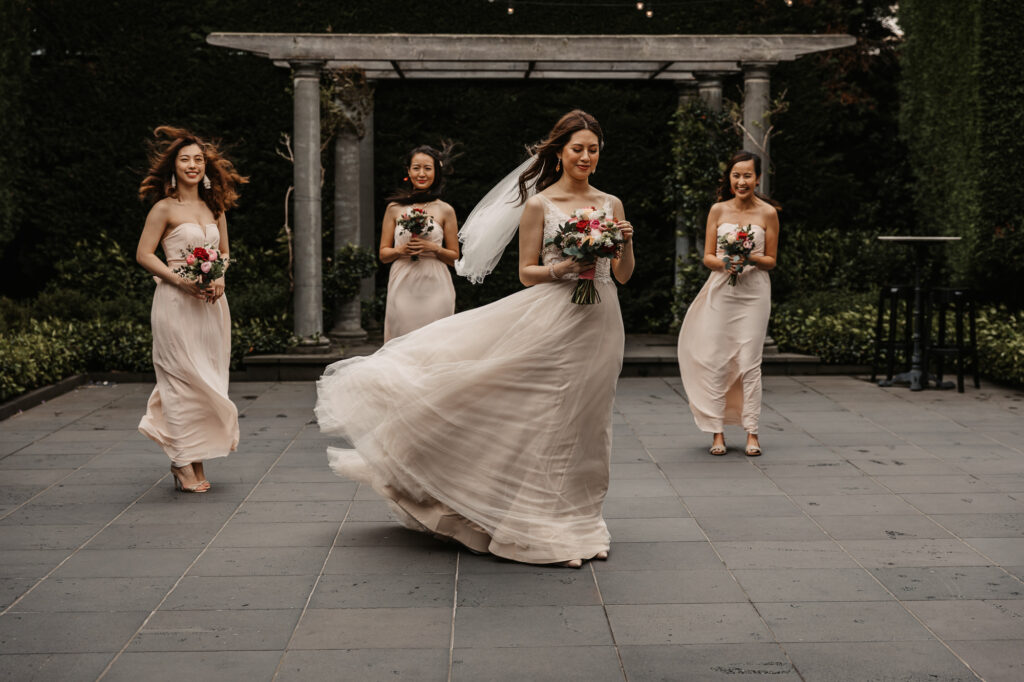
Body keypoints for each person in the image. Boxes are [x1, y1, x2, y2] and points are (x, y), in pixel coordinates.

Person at [315, 110, 634, 567]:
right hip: (555, 315)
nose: (586, 156)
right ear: (559, 153)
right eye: (577, 148)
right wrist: (563, 267)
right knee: (548, 414)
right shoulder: (540, 204)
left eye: (593, 149)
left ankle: (582, 521)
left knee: (590, 422)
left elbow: (622, 276)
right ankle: (538, 525)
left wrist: (623, 244)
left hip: (602, 318)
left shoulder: (612, 204)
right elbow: (527, 274)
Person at [136, 126, 246, 492]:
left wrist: (221, 278)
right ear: (174, 166)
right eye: (185, 159)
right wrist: (178, 279)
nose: (193, 165)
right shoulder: (163, 208)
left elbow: (225, 253)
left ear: (206, 167)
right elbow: (143, 254)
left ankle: (195, 456)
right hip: (175, 301)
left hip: (212, 305)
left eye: (198, 159)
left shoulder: (214, 208)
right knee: (180, 377)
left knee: (206, 379)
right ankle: (182, 462)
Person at [677, 150, 779, 457]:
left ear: (757, 178)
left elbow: (771, 261)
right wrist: (727, 262)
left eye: (747, 175)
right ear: (729, 178)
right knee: (717, 360)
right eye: (736, 175)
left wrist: (749, 258)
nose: (742, 181)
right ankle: (717, 432)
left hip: (754, 293)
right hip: (723, 290)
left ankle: (752, 432)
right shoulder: (718, 210)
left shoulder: (767, 214)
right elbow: (708, 257)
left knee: (750, 362)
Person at [379, 145, 459, 342]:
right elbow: (383, 254)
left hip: (436, 284)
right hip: (403, 282)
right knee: (402, 340)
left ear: (436, 172)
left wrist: (434, 248)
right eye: (416, 168)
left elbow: (455, 258)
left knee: (436, 340)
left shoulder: (445, 210)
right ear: (408, 171)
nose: (421, 173)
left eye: (427, 168)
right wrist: (400, 250)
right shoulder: (394, 208)